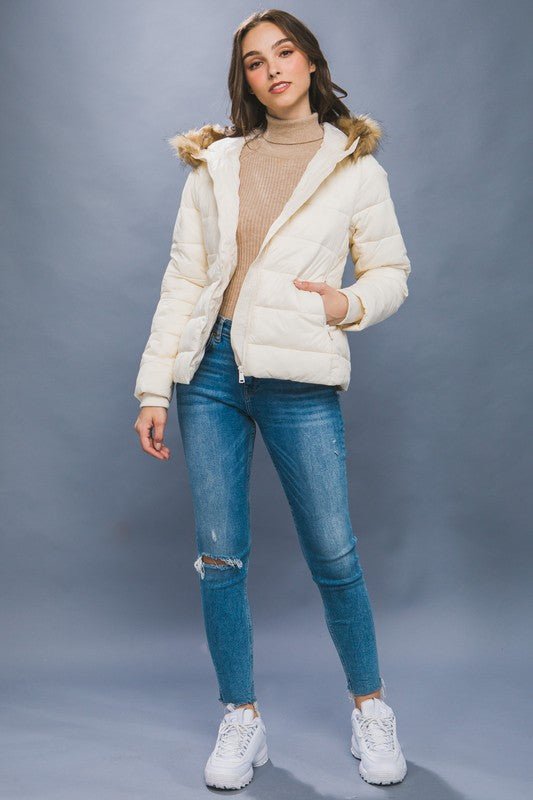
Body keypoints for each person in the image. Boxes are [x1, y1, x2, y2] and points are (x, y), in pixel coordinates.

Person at [133, 8, 411, 791]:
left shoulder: (353, 167)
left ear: (311, 62)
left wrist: (345, 305)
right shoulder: (216, 162)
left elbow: (390, 271)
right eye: (255, 62)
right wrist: (154, 385)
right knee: (220, 555)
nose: (273, 69)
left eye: (284, 53)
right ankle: (241, 717)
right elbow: (185, 278)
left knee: (333, 552)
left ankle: (370, 709)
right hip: (210, 373)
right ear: (246, 81)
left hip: (298, 375)